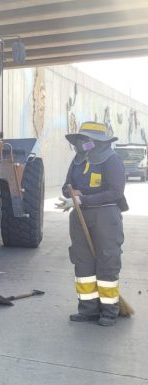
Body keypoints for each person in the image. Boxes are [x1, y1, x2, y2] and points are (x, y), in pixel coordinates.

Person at [56, 122, 126, 327]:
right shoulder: (77, 161)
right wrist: (71, 193)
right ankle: (88, 309)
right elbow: (65, 186)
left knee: (107, 262)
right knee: (83, 262)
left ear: (99, 141)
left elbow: (115, 192)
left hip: (106, 217)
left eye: (88, 140)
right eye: (82, 140)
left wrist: (84, 200)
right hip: (80, 217)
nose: (84, 143)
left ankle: (109, 311)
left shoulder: (112, 160)